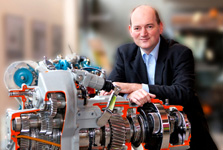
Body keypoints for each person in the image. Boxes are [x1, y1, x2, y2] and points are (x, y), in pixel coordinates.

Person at [101, 5, 218, 150]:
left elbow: (182, 93)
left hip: (186, 136)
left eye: (149, 26)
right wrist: (130, 95)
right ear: (130, 31)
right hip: (150, 137)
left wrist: (136, 87)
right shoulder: (124, 54)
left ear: (160, 27)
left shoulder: (180, 53)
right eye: (137, 28)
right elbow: (110, 91)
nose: (143, 33)